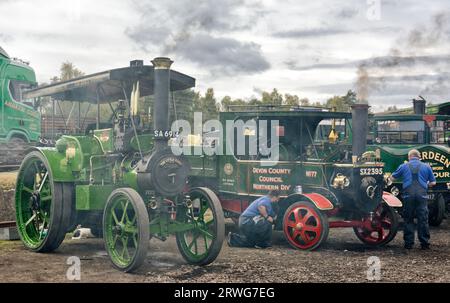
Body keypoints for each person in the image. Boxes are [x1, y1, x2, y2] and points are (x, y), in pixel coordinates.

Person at [390, 149, 436, 250]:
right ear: (419, 157)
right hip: (422, 196)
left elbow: (392, 178)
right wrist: (425, 184)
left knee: (408, 219)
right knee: (423, 219)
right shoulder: (426, 166)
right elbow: (433, 183)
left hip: (408, 196)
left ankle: (408, 244)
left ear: (409, 157)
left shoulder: (403, 166)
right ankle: (424, 244)